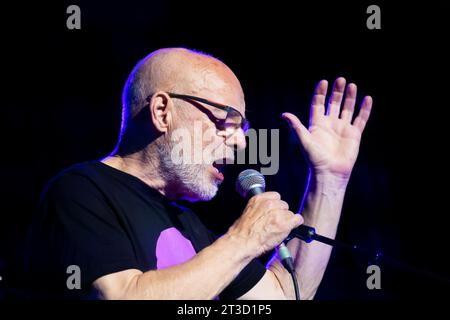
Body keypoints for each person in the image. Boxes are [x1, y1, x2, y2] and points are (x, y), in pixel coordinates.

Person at [24, 48, 372, 299]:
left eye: (243, 128)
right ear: (163, 112)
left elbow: (283, 296)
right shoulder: (81, 191)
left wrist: (330, 180)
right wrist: (243, 240)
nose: (238, 143)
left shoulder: (191, 227)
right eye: (225, 121)